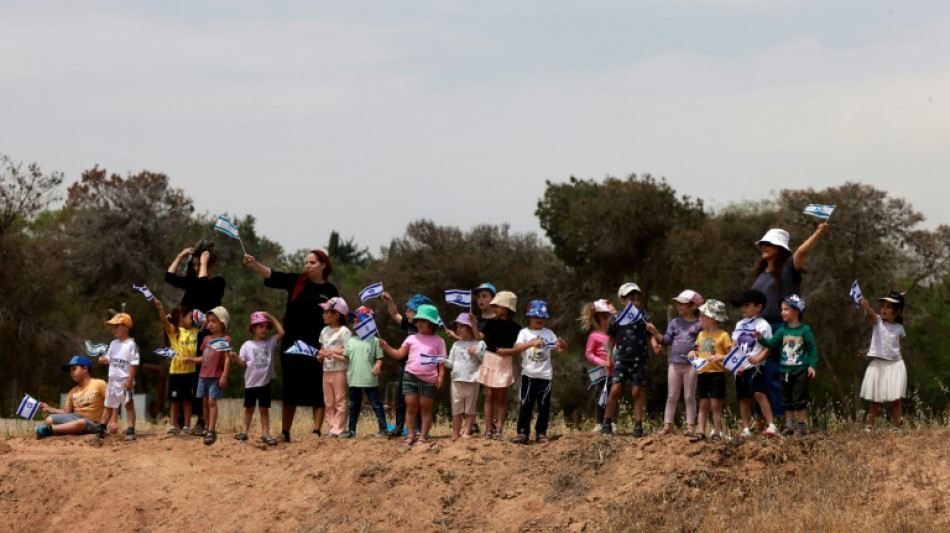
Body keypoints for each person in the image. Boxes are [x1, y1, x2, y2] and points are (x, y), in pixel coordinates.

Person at [244, 250, 338, 442]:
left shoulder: (330, 291)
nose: (308, 266)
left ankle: (316, 432)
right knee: (291, 388)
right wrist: (254, 264)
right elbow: (273, 275)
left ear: (323, 266)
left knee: (316, 388)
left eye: (312, 263)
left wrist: (327, 345)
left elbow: (335, 320)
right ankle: (285, 432)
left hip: (317, 345)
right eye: (306, 262)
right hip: (292, 345)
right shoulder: (297, 281)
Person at [751, 224, 828, 428]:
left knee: (777, 374)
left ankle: (783, 418)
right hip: (760, 328)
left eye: (769, 244)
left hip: (779, 327)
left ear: (780, 248)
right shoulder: (760, 274)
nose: (764, 247)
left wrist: (818, 233)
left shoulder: (787, 268)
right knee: (759, 373)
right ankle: (762, 418)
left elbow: (802, 251)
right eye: (763, 243)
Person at [165, 240, 226, 431]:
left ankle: (202, 420)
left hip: (206, 335)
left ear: (210, 264)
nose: (196, 268)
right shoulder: (193, 280)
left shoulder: (217, 283)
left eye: (200, 264)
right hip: (187, 337)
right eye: (194, 264)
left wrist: (205, 266)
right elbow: (169, 277)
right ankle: (182, 421)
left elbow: (202, 288)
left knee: (205, 376)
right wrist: (180, 256)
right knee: (186, 377)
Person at [379, 304, 446, 446]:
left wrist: (441, 377)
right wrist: (386, 347)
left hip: (429, 380)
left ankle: (422, 437)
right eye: (418, 320)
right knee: (410, 407)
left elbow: (441, 362)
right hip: (410, 376)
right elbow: (399, 354)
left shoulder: (440, 341)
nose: (420, 323)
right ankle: (410, 436)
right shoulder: (411, 339)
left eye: (424, 320)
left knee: (425, 409)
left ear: (432, 323)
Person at [602, 283, 661, 438]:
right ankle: (607, 421)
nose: (634, 303)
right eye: (631, 299)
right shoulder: (616, 317)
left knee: (637, 392)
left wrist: (655, 346)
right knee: (615, 390)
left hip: (639, 360)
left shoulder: (643, 316)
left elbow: (649, 334)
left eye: (637, 300)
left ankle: (638, 424)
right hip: (621, 359)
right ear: (622, 300)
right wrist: (608, 358)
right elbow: (612, 339)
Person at [757, 295, 819, 438]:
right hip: (784, 370)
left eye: (786, 309)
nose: (782, 312)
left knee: (799, 400)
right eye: (782, 309)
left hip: (800, 371)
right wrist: (761, 339)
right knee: (786, 400)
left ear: (796, 311)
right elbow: (772, 344)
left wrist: (812, 365)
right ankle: (789, 426)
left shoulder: (805, 330)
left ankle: (801, 427)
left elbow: (812, 349)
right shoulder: (782, 331)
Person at [512, 300, 567, 444]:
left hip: (545, 375)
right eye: (537, 317)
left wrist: (563, 345)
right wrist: (532, 343)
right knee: (526, 405)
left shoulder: (549, 333)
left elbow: (560, 349)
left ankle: (541, 432)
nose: (540, 320)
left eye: (543, 317)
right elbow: (517, 349)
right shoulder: (524, 333)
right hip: (528, 375)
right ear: (529, 317)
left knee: (544, 406)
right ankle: (523, 432)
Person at [380, 292, 432, 437]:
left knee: (419, 400)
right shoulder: (408, 325)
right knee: (401, 398)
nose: (406, 313)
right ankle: (399, 426)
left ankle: (419, 429)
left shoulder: (426, 331)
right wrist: (390, 301)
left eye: (410, 310)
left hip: (421, 370)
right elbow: (395, 314)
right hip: (405, 367)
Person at [229, 311, 284, 445]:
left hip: (265, 383)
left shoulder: (270, 342)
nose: (264, 329)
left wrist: (271, 316)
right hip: (251, 383)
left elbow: (282, 332)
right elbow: (243, 364)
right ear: (253, 328)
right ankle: (244, 432)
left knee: (264, 409)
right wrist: (235, 358)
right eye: (260, 326)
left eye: (266, 327)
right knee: (249, 409)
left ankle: (265, 434)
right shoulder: (247, 345)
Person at [475, 291, 522, 440]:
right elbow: (478, 338)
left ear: (506, 308)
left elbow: (518, 348)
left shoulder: (516, 328)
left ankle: (499, 430)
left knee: (501, 397)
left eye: (497, 305)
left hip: (504, 361)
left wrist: (509, 351)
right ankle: (488, 429)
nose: (494, 308)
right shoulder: (491, 323)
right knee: (489, 396)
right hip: (489, 359)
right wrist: (472, 323)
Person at [730, 290, 777, 438]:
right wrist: (735, 365)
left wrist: (758, 359)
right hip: (741, 367)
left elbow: (768, 347)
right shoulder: (739, 324)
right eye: (741, 306)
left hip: (756, 366)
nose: (743, 309)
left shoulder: (763, 325)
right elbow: (734, 345)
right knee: (743, 397)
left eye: (746, 305)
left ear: (758, 307)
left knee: (759, 393)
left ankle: (771, 425)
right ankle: (746, 428)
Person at [858, 291, 907, 433]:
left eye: (888, 307)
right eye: (883, 306)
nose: (884, 309)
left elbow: (900, 347)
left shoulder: (899, 328)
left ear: (897, 311)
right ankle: (870, 426)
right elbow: (872, 314)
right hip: (878, 365)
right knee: (875, 397)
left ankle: (897, 427)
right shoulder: (877, 321)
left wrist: (901, 364)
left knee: (895, 398)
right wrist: (866, 307)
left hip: (895, 365)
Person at [659, 290, 704, 436]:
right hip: (674, 364)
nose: (679, 306)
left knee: (689, 396)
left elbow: (704, 344)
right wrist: (654, 333)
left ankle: (690, 426)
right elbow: (666, 341)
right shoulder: (674, 323)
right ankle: (667, 425)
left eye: (683, 304)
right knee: (672, 395)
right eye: (678, 303)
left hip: (691, 365)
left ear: (693, 306)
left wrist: (697, 352)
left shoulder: (699, 325)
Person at [186, 306, 231, 445]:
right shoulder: (206, 339)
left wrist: (224, 376)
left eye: (213, 321)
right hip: (203, 376)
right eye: (209, 321)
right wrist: (192, 359)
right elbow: (204, 358)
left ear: (222, 323)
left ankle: (212, 429)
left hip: (215, 376)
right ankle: (206, 426)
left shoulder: (225, 339)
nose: (209, 324)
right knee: (204, 402)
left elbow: (228, 359)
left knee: (212, 402)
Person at [687, 300, 731, 442]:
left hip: (717, 374)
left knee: (715, 404)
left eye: (702, 316)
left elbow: (731, 356)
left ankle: (716, 432)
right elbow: (698, 351)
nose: (699, 319)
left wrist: (719, 357)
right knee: (703, 404)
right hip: (702, 373)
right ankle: (700, 431)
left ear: (712, 319)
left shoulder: (723, 335)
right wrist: (692, 354)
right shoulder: (701, 335)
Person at [35, 356, 107, 439]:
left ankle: (50, 430)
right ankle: (65, 430)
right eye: (70, 371)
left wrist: (112, 421)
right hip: (75, 419)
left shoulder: (99, 384)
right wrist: (49, 408)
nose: (71, 373)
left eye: (74, 369)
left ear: (85, 369)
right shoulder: (72, 391)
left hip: (94, 424)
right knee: (48, 420)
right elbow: (66, 412)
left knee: (81, 422)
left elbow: (111, 403)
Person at [343, 306, 388, 438]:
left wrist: (378, 366)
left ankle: (383, 429)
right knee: (354, 405)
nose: (354, 323)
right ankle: (351, 430)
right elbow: (346, 358)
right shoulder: (351, 340)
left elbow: (380, 358)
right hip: (354, 378)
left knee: (376, 404)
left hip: (369, 378)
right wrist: (331, 354)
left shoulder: (375, 341)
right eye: (354, 321)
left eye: (358, 321)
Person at [154, 299, 198, 435]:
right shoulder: (174, 331)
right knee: (175, 401)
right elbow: (164, 322)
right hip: (176, 372)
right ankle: (173, 426)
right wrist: (160, 308)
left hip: (190, 372)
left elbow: (206, 322)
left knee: (187, 401)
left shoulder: (195, 330)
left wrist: (196, 318)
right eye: (190, 317)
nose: (192, 320)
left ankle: (186, 426)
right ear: (181, 317)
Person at [99, 313, 140, 441]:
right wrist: (104, 359)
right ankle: (101, 427)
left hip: (124, 380)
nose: (113, 329)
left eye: (117, 326)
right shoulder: (113, 343)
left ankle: (131, 428)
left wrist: (129, 379)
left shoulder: (131, 344)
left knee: (128, 404)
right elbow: (109, 358)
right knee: (108, 405)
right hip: (112, 380)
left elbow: (134, 363)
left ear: (126, 327)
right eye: (112, 327)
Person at [444, 313, 484, 439]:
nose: (458, 329)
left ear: (471, 328)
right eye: (457, 326)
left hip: (472, 381)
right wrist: (443, 361)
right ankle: (455, 434)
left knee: (470, 410)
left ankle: (466, 433)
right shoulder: (456, 345)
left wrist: (476, 352)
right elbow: (451, 363)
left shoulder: (480, 343)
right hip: (456, 381)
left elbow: (485, 360)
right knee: (456, 410)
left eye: (462, 326)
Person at [318, 297, 353, 438]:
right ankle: (330, 427)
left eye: (327, 312)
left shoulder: (344, 332)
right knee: (328, 401)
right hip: (326, 370)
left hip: (340, 370)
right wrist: (321, 355)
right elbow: (322, 348)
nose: (323, 315)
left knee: (340, 400)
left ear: (337, 315)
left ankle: (339, 428)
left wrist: (331, 352)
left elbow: (348, 351)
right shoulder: (324, 330)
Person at [581, 299, 616, 433]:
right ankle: (599, 423)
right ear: (602, 319)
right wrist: (601, 362)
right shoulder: (594, 336)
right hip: (602, 372)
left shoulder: (615, 335)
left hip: (615, 371)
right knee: (599, 395)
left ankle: (613, 422)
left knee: (614, 395)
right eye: (610, 317)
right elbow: (589, 353)